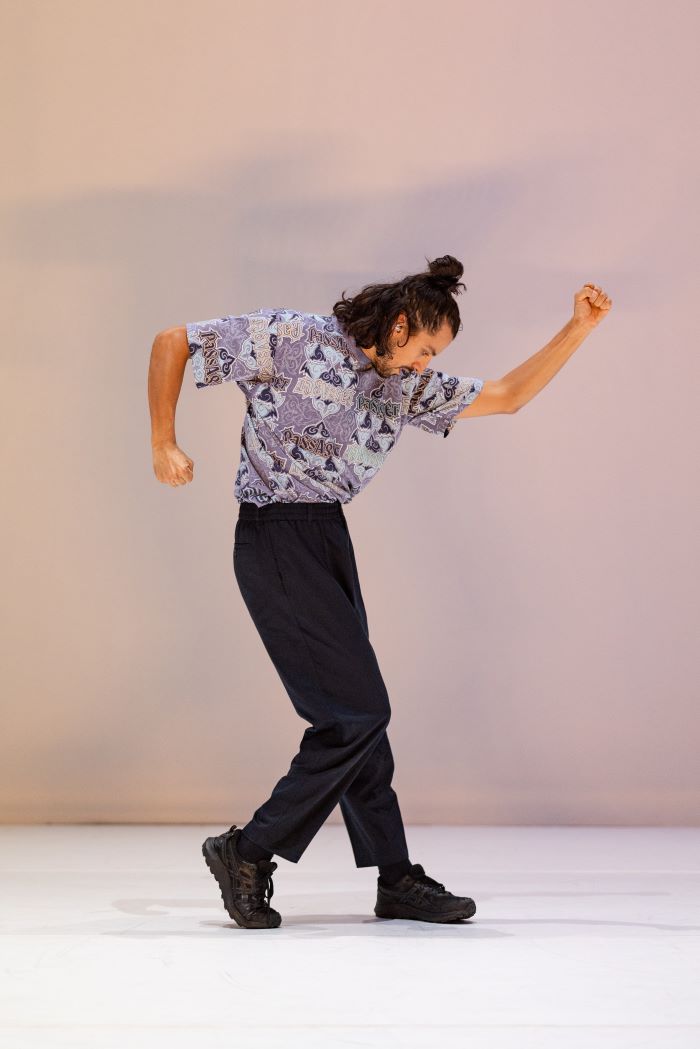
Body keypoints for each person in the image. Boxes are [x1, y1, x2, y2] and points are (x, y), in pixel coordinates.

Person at [148, 254, 612, 929]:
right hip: (275, 537)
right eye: (425, 348)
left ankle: (394, 876)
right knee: (356, 714)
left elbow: (508, 394)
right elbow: (174, 341)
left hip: (328, 538)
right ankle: (246, 850)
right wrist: (163, 439)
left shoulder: (403, 385)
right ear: (398, 325)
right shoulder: (295, 337)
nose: (426, 363)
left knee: (361, 715)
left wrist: (578, 329)